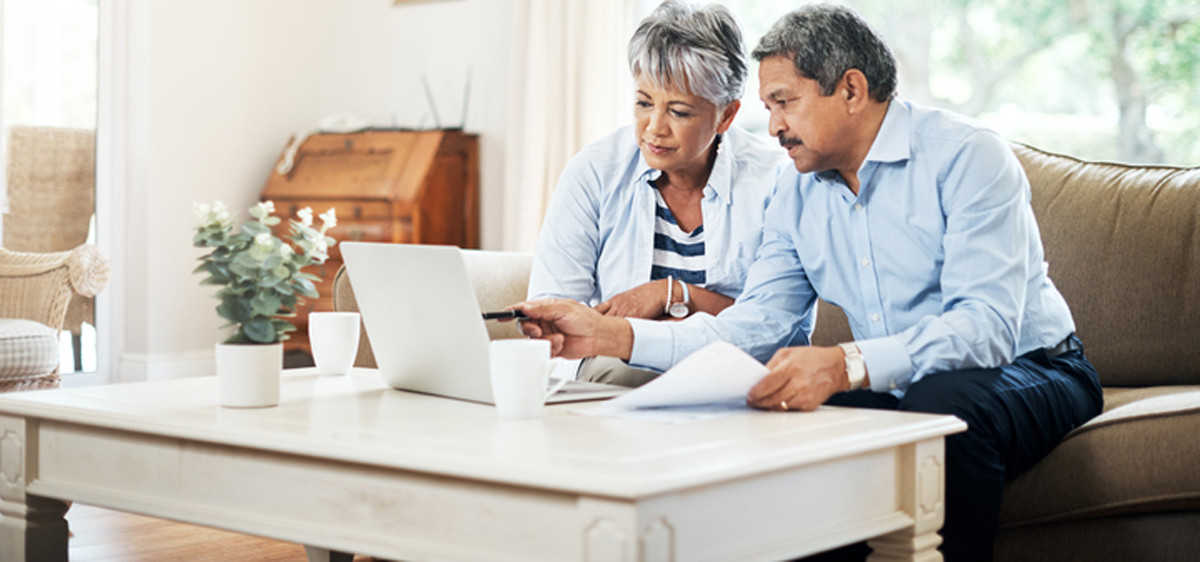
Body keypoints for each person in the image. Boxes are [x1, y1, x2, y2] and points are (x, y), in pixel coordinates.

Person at [516, 5, 1103, 561]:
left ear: (850, 90)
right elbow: (754, 328)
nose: (771, 126)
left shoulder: (968, 157)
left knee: (937, 408)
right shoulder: (793, 191)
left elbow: (987, 329)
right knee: (798, 431)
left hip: (1035, 366)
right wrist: (610, 337)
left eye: (784, 103)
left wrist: (843, 364)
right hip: (906, 381)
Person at [526, 0, 803, 388]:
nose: (653, 129)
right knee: (620, 371)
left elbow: (776, 326)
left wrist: (670, 294)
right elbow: (553, 310)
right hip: (617, 376)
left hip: (734, 376)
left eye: (679, 112)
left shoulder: (775, 182)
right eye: (643, 103)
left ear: (726, 114)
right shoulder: (593, 172)